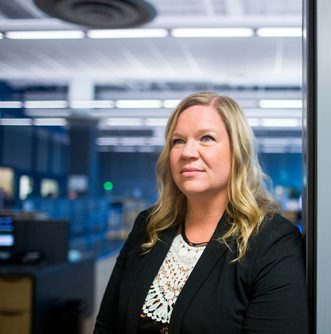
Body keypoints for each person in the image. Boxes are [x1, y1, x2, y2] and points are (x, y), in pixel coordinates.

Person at [94, 91, 309, 333]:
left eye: (206, 138)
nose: (187, 152)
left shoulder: (273, 242)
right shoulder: (148, 226)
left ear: (237, 152)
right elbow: (106, 326)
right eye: (178, 141)